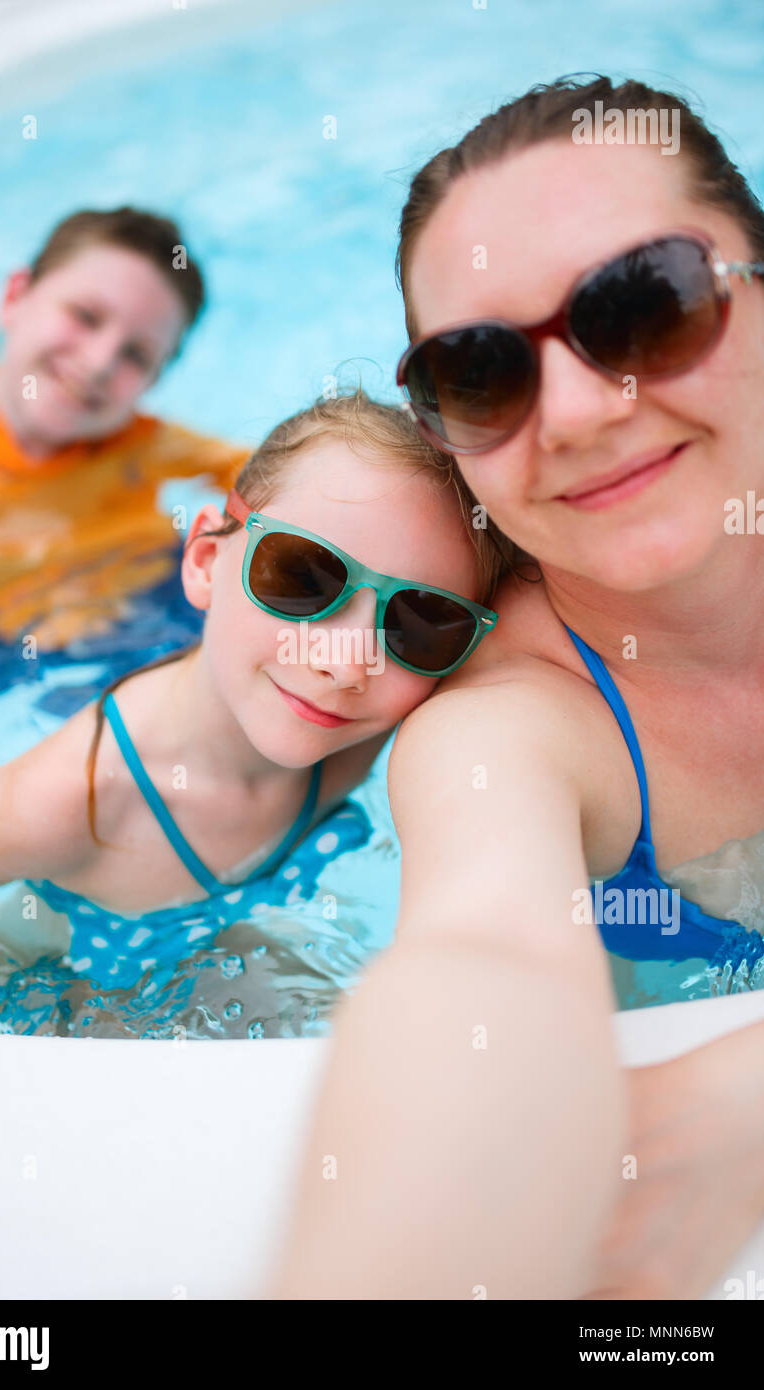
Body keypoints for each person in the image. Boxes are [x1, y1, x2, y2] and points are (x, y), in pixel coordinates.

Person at [271, 75, 764, 1300]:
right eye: (481, 374)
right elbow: (476, 962)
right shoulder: (513, 726)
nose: (582, 413)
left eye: (647, 305)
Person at [0, 392, 499, 1020]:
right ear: (205, 561)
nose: (346, 664)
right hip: (63, 977)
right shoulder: (66, 802)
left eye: (421, 623)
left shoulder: (390, 710)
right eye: (303, 578)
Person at [0, 207, 250, 709]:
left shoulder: (143, 442)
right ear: (14, 296)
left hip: (171, 597)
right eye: (84, 317)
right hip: (27, 644)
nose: (100, 362)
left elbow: (268, 480)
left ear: (153, 383)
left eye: (135, 356)